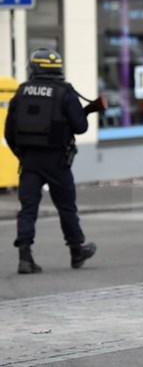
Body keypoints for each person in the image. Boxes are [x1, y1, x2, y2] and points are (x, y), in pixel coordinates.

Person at [4, 48, 97, 273]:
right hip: (57, 160)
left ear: (34, 67)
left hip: (29, 161)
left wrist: (22, 155)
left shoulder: (22, 91)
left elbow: (9, 131)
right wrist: (86, 112)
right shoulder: (64, 92)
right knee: (66, 207)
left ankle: (25, 257)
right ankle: (76, 251)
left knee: (28, 208)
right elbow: (80, 127)